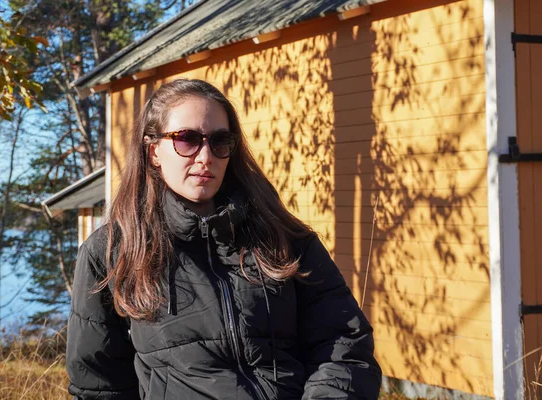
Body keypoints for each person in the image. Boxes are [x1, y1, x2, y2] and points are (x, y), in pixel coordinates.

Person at [66, 78, 382, 400]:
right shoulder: (112, 252)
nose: (206, 157)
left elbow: (342, 343)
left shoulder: (283, 236)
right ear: (154, 152)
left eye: (219, 141)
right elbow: (99, 386)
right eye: (187, 140)